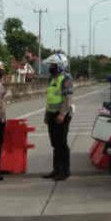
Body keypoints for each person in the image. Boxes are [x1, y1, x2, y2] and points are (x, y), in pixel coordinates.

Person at [43, 53, 73, 181]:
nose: (51, 67)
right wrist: (46, 114)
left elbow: (68, 98)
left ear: (60, 65)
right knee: (55, 144)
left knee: (61, 144)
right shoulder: (52, 79)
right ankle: (56, 170)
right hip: (51, 114)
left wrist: (62, 113)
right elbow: (50, 99)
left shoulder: (66, 78)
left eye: (53, 65)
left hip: (62, 115)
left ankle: (64, 171)